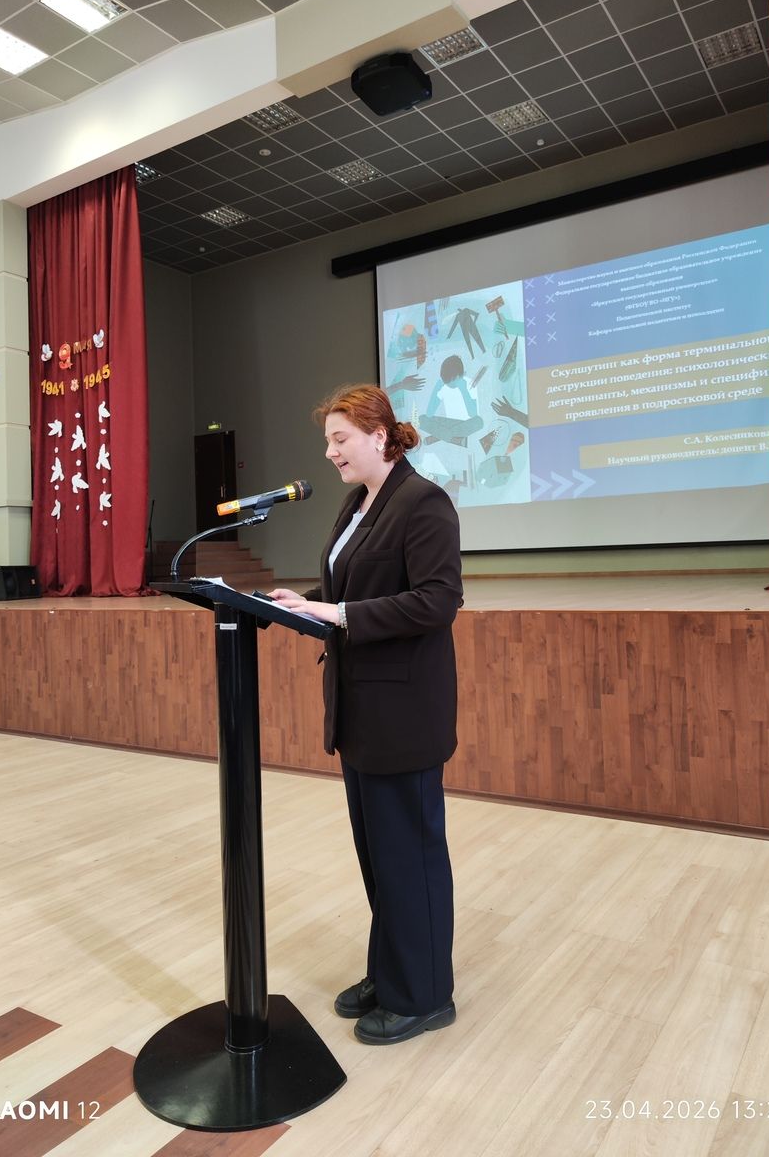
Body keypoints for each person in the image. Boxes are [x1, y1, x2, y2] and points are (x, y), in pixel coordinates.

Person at [269, 383, 463, 1046]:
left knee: (410, 857)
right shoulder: (359, 503)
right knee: (381, 858)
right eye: (328, 441)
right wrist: (301, 602)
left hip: (403, 712)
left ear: (380, 435)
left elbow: (437, 600)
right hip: (361, 711)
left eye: (340, 439)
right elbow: (348, 587)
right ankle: (393, 972)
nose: (330, 452)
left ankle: (425, 996)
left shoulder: (423, 501)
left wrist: (339, 612)